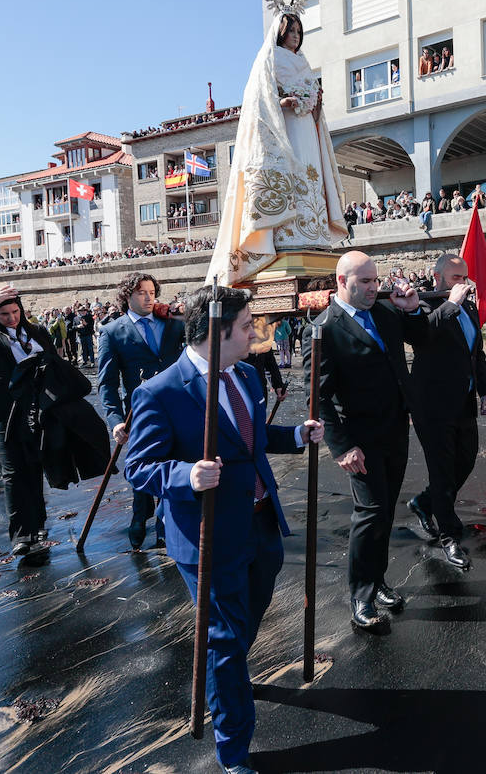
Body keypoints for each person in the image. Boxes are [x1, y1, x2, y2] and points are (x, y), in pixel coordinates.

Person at [125, 285, 321, 774]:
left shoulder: (248, 376)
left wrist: (295, 435)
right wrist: (184, 476)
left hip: (260, 527)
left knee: (237, 632)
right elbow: (139, 466)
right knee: (225, 639)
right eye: (248, 325)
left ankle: (224, 672)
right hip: (208, 536)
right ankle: (233, 750)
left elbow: (251, 441)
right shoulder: (162, 391)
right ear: (218, 332)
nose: (256, 332)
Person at [305, 251, 427, 632]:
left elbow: (423, 339)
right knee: (370, 513)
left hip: (395, 430)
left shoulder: (387, 314)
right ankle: (361, 596)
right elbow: (318, 397)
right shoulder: (325, 328)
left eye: (376, 281)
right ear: (342, 281)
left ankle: (378, 581)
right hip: (360, 441)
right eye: (365, 282)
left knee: (387, 511)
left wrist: (413, 309)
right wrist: (341, 447)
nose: (374, 288)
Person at [0, 284, 110, 565]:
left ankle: (38, 525)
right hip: (4, 412)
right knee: (13, 470)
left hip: (38, 409)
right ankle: (22, 535)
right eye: (4, 313)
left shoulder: (35, 333)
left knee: (35, 465)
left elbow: (54, 363)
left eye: (15, 312)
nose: (11, 318)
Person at [210, 6, 348, 286]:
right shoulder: (268, 58)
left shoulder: (304, 61)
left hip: (306, 129)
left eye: (299, 31)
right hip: (283, 128)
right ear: (280, 33)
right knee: (290, 175)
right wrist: (282, 103)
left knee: (311, 175)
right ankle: (285, 236)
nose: (296, 36)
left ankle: (314, 235)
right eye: (291, 31)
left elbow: (313, 95)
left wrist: (315, 103)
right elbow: (256, 101)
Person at [407, 254, 486, 571]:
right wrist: (451, 305)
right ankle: (449, 537)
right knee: (442, 472)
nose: (464, 284)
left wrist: (485, 390)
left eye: (465, 277)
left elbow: (476, 352)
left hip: (465, 400)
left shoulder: (468, 307)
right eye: (456, 278)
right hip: (432, 405)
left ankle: (424, 502)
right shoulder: (425, 304)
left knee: (466, 461)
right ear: (438, 276)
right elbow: (420, 336)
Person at [97, 272, 187, 549]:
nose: (149, 298)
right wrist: (114, 421)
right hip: (139, 412)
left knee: (172, 463)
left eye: (151, 292)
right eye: (141, 293)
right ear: (127, 296)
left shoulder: (173, 324)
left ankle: (164, 525)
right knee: (144, 465)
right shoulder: (112, 332)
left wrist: (186, 313)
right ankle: (139, 516)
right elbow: (107, 383)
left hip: (178, 405)